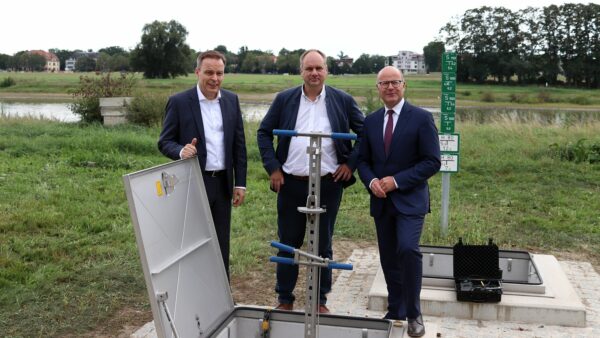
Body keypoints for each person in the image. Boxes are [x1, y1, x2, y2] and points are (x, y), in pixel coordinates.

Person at [257, 49, 364, 314]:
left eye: (319, 68)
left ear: (327, 70)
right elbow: (263, 132)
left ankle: (319, 300)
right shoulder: (285, 99)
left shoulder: (342, 100)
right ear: (301, 71)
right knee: (288, 241)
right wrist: (273, 168)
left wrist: (350, 164)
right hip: (291, 182)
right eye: (309, 68)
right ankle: (285, 298)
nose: (314, 73)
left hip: (328, 183)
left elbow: (366, 133)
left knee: (323, 242)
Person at [357, 66, 440, 337]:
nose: (390, 87)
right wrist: (371, 182)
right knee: (389, 257)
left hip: (411, 200)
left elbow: (432, 161)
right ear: (377, 88)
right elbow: (364, 161)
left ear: (404, 86)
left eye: (395, 82)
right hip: (381, 202)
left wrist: (397, 181)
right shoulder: (370, 121)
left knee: (407, 249)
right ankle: (396, 310)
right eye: (384, 83)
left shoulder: (421, 118)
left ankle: (414, 313)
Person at [158, 50, 247, 280]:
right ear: (197, 72)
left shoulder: (231, 100)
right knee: (193, 242)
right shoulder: (179, 102)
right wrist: (180, 150)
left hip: (223, 184)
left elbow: (239, 146)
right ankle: (194, 293)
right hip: (194, 182)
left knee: (221, 243)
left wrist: (241, 184)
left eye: (219, 73)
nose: (214, 78)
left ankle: (223, 296)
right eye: (209, 72)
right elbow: (164, 141)